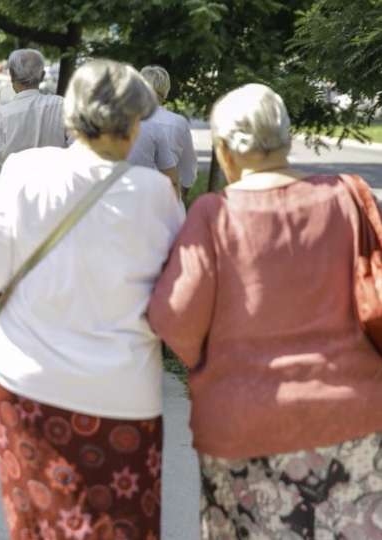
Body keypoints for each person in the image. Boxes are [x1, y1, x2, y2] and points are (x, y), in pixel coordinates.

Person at [0, 59, 185, 540]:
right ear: (134, 122)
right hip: (124, 395)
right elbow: (177, 301)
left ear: (72, 116)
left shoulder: (24, 171)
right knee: (121, 524)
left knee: (38, 525)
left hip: (29, 390)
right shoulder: (158, 195)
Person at [147, 83, 382, 537]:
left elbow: (174, 320)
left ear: (224, 151)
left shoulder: (215, 215)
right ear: (287, 139)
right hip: (353, 416)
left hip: (245, 423)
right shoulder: (347, 197)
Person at [0, 49, 69, 237]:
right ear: (42, 75)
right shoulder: (63, 107)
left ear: (11, 75)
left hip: (8, 208)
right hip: (53, 206)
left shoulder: (2, 117)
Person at [127, 65, 197, 200]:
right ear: (165, 91)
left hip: (131, 198)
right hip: (168, 196)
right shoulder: (178, 123)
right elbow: (189, 171)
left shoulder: (124, 121)